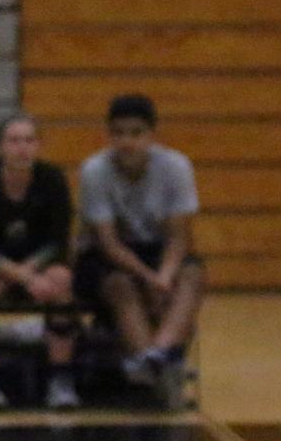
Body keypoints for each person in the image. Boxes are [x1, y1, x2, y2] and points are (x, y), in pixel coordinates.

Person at [73, 94, 205, 411]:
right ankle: (160, 368)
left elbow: (179, 236)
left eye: (136, 133)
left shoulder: (176, 166)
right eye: (118, 134)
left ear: (151, 135)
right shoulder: (94, 171)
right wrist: (150, 278)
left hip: (158, 250)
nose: (127, 142)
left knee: (191, 275)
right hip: (111, 254)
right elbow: (108, 243)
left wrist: (165, 275)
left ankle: (154, 356)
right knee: (121, 286)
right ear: (109, 135)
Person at [0, 114, 81, 410]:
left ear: (38, 145)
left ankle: (60, 379)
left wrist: (25, 274)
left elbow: (57, 241)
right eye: (14, 141)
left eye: (29, 140)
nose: (22, 148)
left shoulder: (52, 179)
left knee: (62, 280)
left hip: (39, 267)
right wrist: (15, 275)